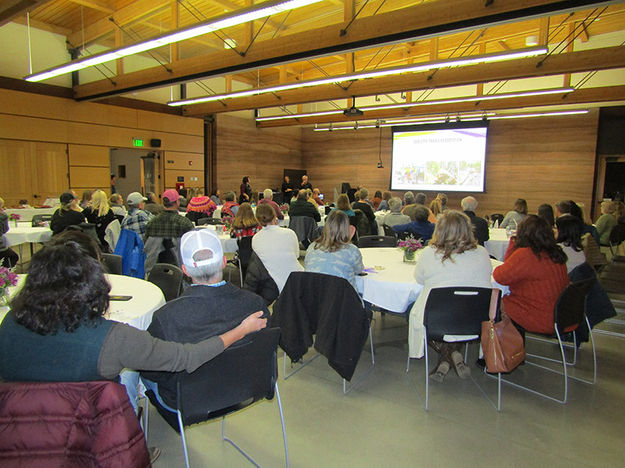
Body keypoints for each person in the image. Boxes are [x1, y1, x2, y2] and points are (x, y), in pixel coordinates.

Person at [0, 241, 267, 400]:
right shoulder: (114, 338)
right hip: (85, 423)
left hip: (16, 425)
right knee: (128, 376)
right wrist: (240, 330)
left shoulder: (10, 322)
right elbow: (187, 357)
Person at [141, 229, 269, 409]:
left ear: (185, 270)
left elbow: (153, 370)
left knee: (135, 373)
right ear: (224, 262)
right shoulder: (255, 305)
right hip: (244, 388)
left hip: (189, 400)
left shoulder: (167, 317)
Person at [408, 210, 493, 381]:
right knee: (456, 313)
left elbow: (419, 279)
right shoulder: (482, 253)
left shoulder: (429, 253)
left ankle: (446, 357)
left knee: (413, 308)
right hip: (475, 319)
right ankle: (453, 353)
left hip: (437, 320)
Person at [493, 215, 569, 335]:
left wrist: (513, 243)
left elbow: (500, 276)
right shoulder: (555, 252)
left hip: (538, 316)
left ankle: (503, 347)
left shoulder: (527, 254)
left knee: (493, 301)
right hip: (561, 315)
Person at [304, 210, 364, 291]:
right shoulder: (351, 250)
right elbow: (359, 270)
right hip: (343, 299)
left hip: (315, 298)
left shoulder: (312, 247)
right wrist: (348, 239)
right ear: (346, 228)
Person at [252, 203, 303, 292]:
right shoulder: (290, 233)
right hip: (298, 279)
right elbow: (297, 255)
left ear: (257, 220)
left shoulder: (255, 239)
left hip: (273, 285)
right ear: (274, 216)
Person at [0, 197, 19, 268]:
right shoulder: (2, 217)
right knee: (13, 257)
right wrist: (3, 217)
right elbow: (4, 230)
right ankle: (4, 273)